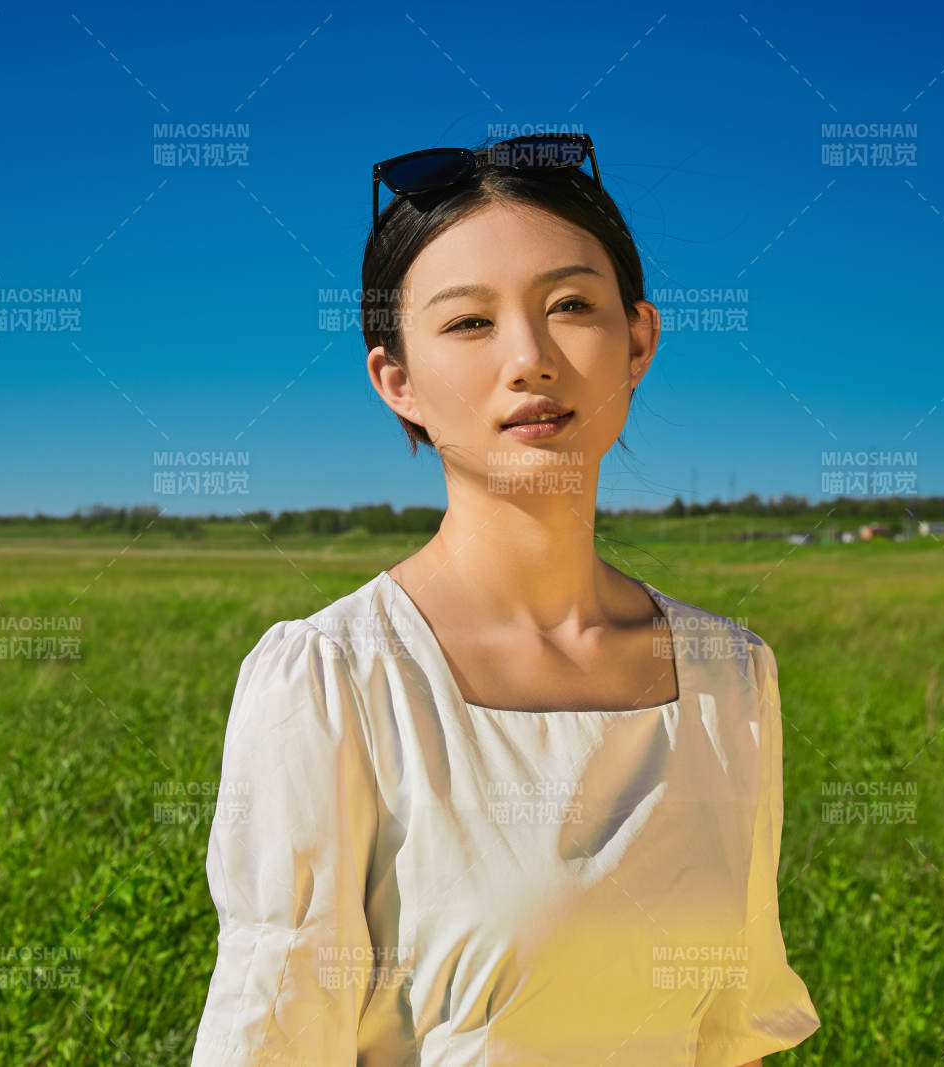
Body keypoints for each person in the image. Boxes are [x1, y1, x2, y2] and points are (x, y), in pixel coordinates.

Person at [191, 134, 821, 1065]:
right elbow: (271, 1043)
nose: (530, 357)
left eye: (570, 305)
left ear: (639, 339)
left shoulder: (731, 676)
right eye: (469, 323)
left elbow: (732, 1040)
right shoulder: (331, 681)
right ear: (396, 382)